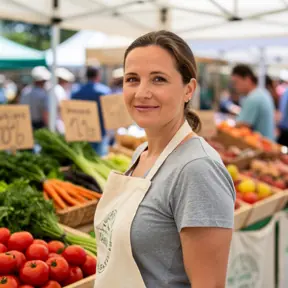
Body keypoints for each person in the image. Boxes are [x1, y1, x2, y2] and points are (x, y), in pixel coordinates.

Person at [94, 30, 235, 288]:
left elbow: (209, 284)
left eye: (158, 79)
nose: (142, 92)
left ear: (188, 89)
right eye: (132, 79)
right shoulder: (141, 154)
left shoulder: (197, 170)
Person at [72, 66, 111, 156]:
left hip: (81, 131)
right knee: (99, 159)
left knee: (84, 157)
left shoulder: (76, 92)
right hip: (99, 130)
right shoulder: (104, 91)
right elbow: (110, 113)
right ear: (98, 76)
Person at [231, 64, 275, 140]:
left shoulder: (253, 98)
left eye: (236, 82)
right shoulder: (262, 92)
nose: (235, 86)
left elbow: (242, 126)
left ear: (248, 79)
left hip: (260, 146)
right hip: (268, 142)